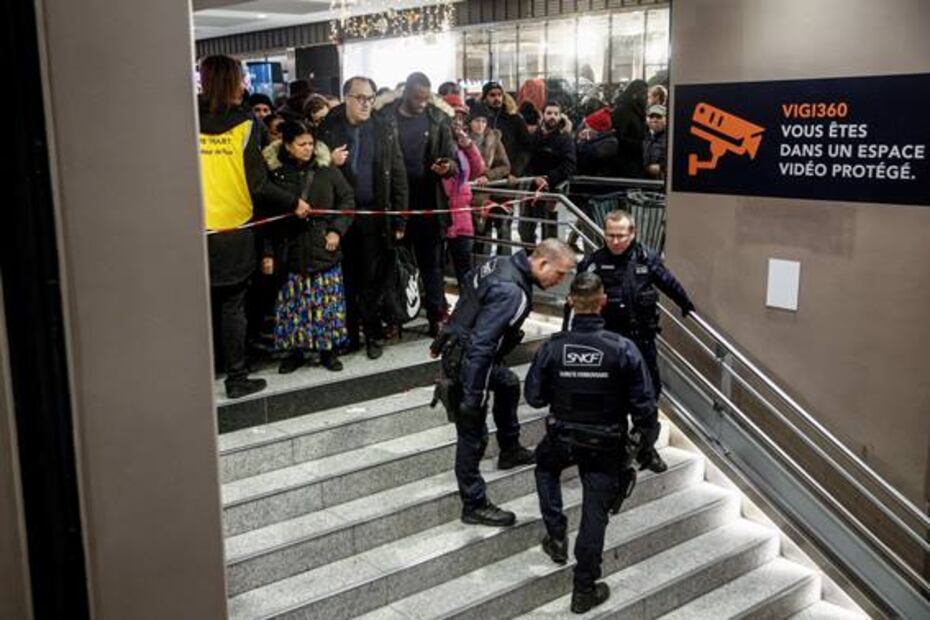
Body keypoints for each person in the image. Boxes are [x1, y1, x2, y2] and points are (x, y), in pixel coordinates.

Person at [525, 272, 657, 614]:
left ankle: (556, 535)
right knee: (594, 514)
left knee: (545, 468)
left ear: (570, 301)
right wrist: (643, 442)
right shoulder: (623, 348)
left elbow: (534, 398)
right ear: (603, 302)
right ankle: (583, 590)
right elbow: (645, 405)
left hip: (563, 437)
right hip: (606, 443)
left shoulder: (552, 347)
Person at [431, 239, 577, 526]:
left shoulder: (500, 263)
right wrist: (474, 395)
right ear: (542, 263)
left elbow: (469, 284)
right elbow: (482, 346)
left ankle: (510, 450)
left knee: (508, 384)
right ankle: (473, 504)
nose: (560, 281)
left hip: (463, 350)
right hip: (468, 362)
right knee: (472, 434)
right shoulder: (512, 291)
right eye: (559, 274)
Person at [197, 55, 311, 399]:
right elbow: (259, 184)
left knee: (198, 306)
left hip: (194, 229)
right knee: (233, 306)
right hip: (234, 227)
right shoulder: (246, 123)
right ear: (232, 81)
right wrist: (293, 202)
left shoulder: (185, 118)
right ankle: (236, 378)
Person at [575, 210, 694, 472]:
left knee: (648, 398)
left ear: (632, 234)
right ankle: (615, 449)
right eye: (610, 235)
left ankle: (646, 449)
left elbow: (668, 282)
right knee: (612, 398)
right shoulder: (594, 262)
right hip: (608, 343)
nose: (615, 241)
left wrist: (685, 303)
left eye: (620, 235)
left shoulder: (646, 258)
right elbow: (579, 297)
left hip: (641, 341)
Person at [317, 76, 409, 360]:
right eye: (360, 98)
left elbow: (398, 173)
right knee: (346, 279)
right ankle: (348, 335)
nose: (366, 104)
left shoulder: (383, 126)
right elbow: (309, 169)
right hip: (339, 218)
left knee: (372, 279)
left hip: (374, 215)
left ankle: (372, 334)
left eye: (370, 98)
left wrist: (400, 219)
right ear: (346, 97)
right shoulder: (328, 126)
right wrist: (328, 161)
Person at [262, 121, 354, 373]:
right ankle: (295, 351)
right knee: (293, 306)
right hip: (289, 249)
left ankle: (328, 351)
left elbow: (347, 199)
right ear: (287, 145)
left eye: (311, 143)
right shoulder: (275, 174)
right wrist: (268, 252)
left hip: (323, 248)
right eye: (301, 144)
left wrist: (336, 230)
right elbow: (266, 214)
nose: (308, 148)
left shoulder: (327, 169)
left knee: (326, 305)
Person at [379, 72, 458, 337]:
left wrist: (447, 167)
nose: (422, 104)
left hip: (428, 201)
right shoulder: (386, 118)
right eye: (417, 98)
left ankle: (437, 315)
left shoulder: (438, 119)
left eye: (426, 99)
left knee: (432, 264)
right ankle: (394, 317)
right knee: (393, 263)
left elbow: (451, 158)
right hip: (394, 201)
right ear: (406, 94)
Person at [441, 94, 486, 287]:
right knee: (437, 268)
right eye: (454, 116)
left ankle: (467, 301)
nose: (458, 121)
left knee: (465, 270)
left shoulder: (462, 144)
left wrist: (468, 145)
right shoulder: (435, 140)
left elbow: (478, 169)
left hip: (462, 214)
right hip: (441, 213)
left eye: (461, 117)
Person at [520, 101, 577, 245]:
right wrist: (532, 177)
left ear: (560, 116)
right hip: (532, 188)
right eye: (549, 113)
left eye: (556, 114)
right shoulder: (534, 136)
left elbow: (569, 165)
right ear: (543, 115)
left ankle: (548, 257)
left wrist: (548, 178)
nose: (553, 117)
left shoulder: (565, 139)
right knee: (525, 229)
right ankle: (530, 254)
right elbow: (526, 160)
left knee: (550, 232)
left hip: (552, 189)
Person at [468, 102, 513, 258]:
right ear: (470, 121)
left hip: (483, 195)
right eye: (477, 121)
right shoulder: (461, 137)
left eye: (484, 121)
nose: (480, 125)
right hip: (464, 192)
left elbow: (505, 166)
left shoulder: (493, 138)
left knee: (482, 235)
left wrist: (488, 175)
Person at [482, 81, 533, 177]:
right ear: (485, 98)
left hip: (510, 175)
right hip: (486, 175)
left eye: (499, 95)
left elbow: (526, 148)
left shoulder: (515, 119)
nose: (497, 98)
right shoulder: (480, 120)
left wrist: (515, 171)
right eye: (492, 95)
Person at [611, 79, 648, 178]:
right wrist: (640, 144)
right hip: (625, 164)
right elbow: (618, 137)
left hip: (635, 161)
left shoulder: (637, 110)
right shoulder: (623, 110)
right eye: (644, 94)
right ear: (634, 94)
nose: (646, 97)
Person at [642, 104, 667, 180]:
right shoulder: (645, 137)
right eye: (651, 117)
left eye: (659, 117)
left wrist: (662, 167)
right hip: (646, 180)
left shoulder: (670, 139)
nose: (654, 120)